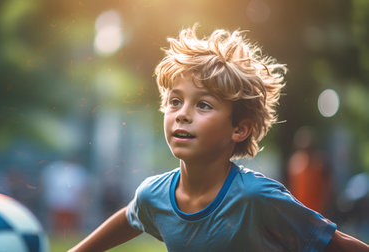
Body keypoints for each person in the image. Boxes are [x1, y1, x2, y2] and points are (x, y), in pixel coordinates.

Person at [68, 25, 369, 251]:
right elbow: (131, 216)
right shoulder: (154, 195)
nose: (182, 114)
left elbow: (336, 244)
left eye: (203, 105)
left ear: (239, 129)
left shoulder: (256, 197)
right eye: (175, 101)